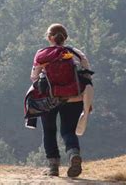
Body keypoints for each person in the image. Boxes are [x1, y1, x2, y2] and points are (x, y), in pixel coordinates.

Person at [30, 23, 92, 177]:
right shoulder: (77, 54)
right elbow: (87, 78)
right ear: (66, 38)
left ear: (49, 38)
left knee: (49, 131)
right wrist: (88, 102)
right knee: (68, 131)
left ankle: (53, 167)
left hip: (49, 99)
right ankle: (73, 155)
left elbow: (34, 77)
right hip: (74, 98)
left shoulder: (42, 54)